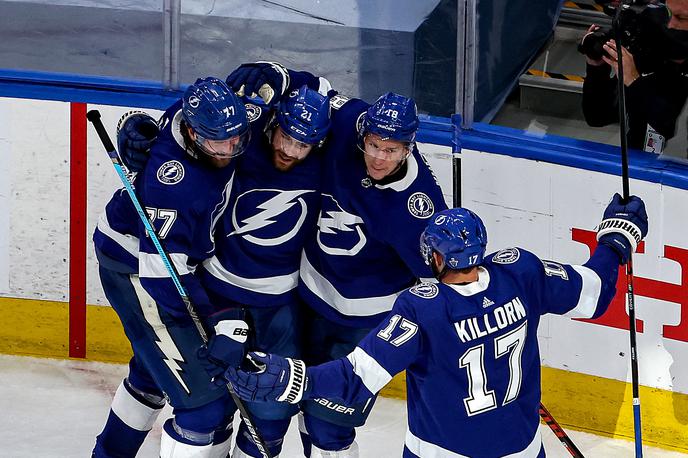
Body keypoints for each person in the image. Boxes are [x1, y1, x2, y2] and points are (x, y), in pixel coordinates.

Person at [222, 194, 649, 457]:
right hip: (520, 448)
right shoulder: (521, 272)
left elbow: (356, 379)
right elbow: (594, 291)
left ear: (439, 258)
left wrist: (293, 380)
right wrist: (617, 238)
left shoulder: (423, 308)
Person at [225, 63, 449, 457]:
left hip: (362, 327)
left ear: (408, 148)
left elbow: (447, 278)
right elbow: (314, 89)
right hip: (305, 301)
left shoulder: (418, 210)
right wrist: (277, 75)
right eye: (374, 145)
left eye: (391, 150)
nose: (378, 158)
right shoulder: (349, 122)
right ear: (364, 132)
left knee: (329, 429)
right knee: (268, 412)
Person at [115, 74, 333, 457]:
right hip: (186, 282)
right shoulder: (184, 173)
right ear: (274, 122)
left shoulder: (239, 128)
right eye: (286, 137)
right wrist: (146, 128)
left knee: (270, 412)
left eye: (304, 144)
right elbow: (189, 116)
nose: (291, 151)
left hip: (274, 303)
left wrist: (281, 73)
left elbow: (336, 99)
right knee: (197, 405)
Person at [92, 77, 253, 457]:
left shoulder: (198, 119)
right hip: (135, 269)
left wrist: (132, 122)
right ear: (194, 136)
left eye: (236, 138)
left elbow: (160, 121)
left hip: (169, 263)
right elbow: (161, 276)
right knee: (204, 404)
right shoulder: (174, 184)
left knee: (154, 371)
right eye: (219, 141)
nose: (231, 148)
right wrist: (217, 319)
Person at [581, 0, 688, 153]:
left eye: (681, 18)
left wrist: (634, 82)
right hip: (637, 166)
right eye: (669, 14)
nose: (671, 25)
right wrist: (596, 68)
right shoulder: (647, 57)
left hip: (676, 171)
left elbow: (671, 127)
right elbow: (597, 116)